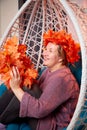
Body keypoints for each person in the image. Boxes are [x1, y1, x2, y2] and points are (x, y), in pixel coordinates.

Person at [0, 29, 80, 130]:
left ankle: (1, 122)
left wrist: (16, 89)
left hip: (49, 124)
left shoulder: (63, 79)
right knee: (25, 81)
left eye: (50, 51)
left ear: (61, 58)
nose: (45, 53)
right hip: (41, 114)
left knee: (28, 87)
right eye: (45, 49)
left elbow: (39, 110)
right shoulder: (49, 70)